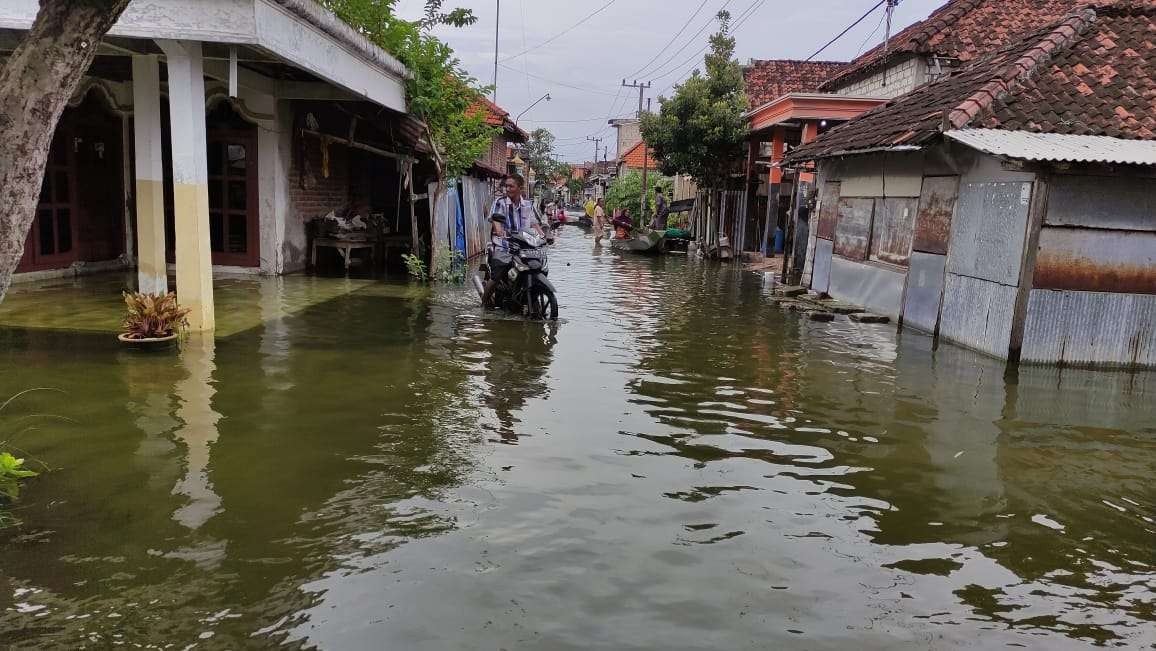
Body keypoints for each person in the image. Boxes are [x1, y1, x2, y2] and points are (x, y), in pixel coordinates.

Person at [483, 173, 545, 308]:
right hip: (504, 246)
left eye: (511, 186)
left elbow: (534, 224)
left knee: (539, 266)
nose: (507, 189)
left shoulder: (529, 204)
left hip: (525, 247)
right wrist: (499, 231)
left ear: (520, 188)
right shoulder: (500, 202)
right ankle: (484, 303)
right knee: (497, 275)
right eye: (506, 186)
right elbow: (495, 219)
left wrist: (544, 236)